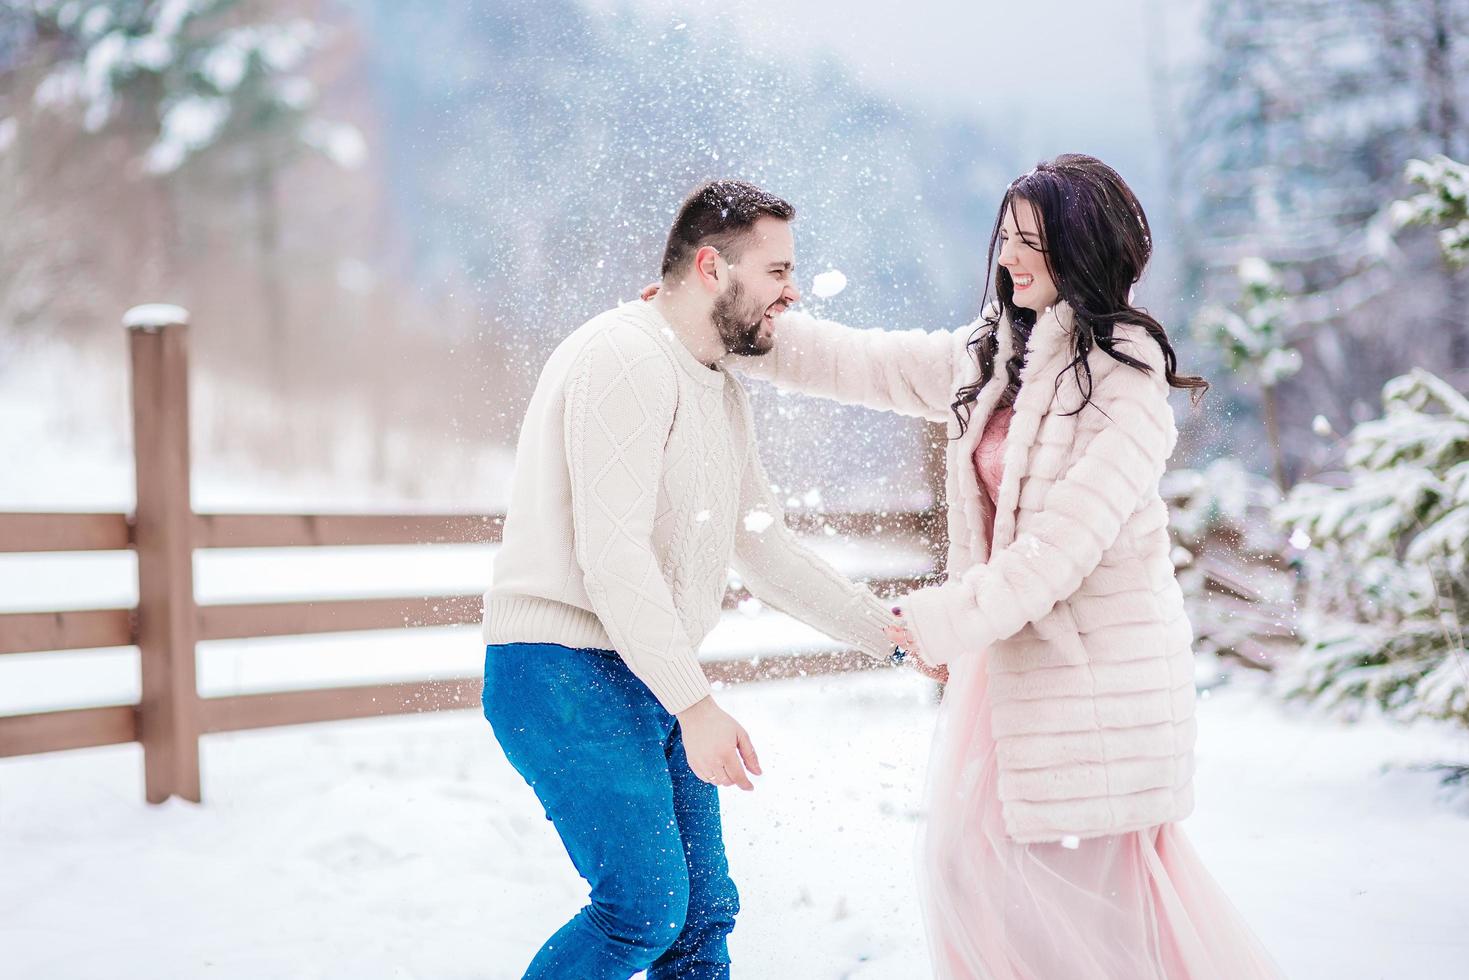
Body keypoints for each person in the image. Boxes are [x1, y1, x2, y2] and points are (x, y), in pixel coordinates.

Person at [729, 154, 1284, 978]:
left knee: (1080, 918)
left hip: (1097, 689)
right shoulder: (995, 357)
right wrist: (734, 324)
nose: (1008, 259)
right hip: (1012, 676)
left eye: (1033, 243)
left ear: (1084, 250)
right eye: (1008, 239)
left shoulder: (1126, 389)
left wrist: (930, 622)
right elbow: (862, 362)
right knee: (973, 874)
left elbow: (1048, 560)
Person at [480, 178, 901, 979]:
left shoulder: (715, 387)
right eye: (776, 271)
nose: (792, 291)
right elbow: (612, 554)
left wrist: (891, 636)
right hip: (558, 666)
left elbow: (764, 547)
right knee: (640, 911)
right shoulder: (624, 356)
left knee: (701, 919)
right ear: (712, 267)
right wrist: (694, 704)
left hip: (641, 663)